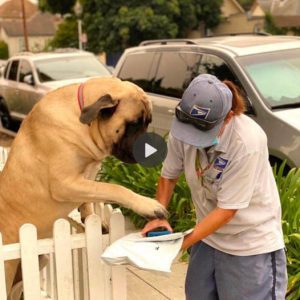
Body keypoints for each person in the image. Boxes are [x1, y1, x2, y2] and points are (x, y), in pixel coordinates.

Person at [142, 74, 287, 300]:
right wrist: (158, 215)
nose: (192, 139)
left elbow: (227, 210)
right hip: (207, 239)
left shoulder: (246, 141)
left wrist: (177, 244)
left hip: (248, 246)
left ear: (228, 117)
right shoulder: (185, 124)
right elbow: (168, 177)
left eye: (202, 132)